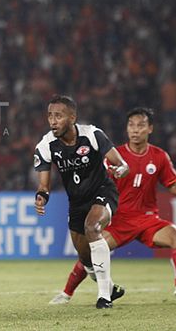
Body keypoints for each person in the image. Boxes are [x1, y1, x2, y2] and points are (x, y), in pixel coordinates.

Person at [49, 107, 176, 305]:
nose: (135, 130)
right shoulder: (115, 155)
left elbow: (172, 187)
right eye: (131, 125)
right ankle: (66, 293)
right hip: (118, 220)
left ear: (150, 129)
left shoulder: (159, 156)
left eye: (141, 125)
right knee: (91, 252)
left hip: (147, 219)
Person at [33, 95, 129, 309]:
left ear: (72, 117)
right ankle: (111, 287)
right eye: (50, 115)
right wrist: (42, 197)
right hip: (76, 202)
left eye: (58, 116)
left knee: (92, 227)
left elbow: (122, 165)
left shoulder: (93, 135)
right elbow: (44, 185)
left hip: (103, 191)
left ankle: (104, 297)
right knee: (85, 257)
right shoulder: (46, 145)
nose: (53, 121)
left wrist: (120, 170)